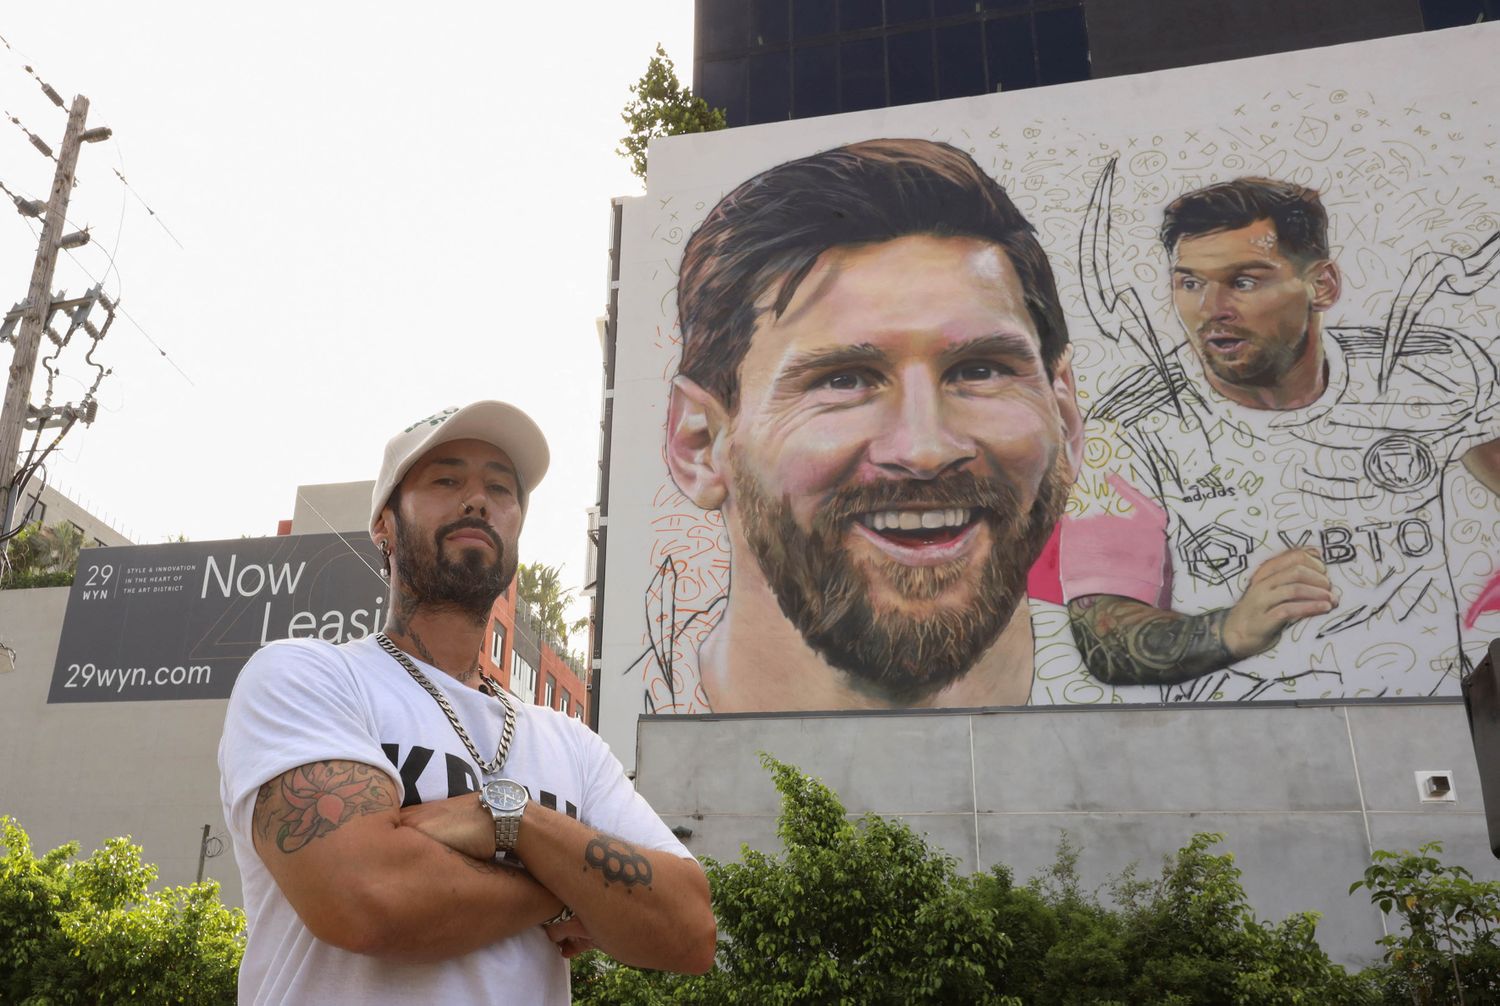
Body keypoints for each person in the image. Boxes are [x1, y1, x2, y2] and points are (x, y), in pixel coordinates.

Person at [218, 402, 715, 1004]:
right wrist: (576, 886)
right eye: (446, 479)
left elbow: (690, 929)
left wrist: (510, 820)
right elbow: (366, 899)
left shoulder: (572, 744)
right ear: (384, 524)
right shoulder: (307, 678)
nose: (477, 500)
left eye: (500, 489)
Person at [664, 139, 1083, 712]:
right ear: (699, 445)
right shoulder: (605, 775)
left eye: (979, 370)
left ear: (1065, 418)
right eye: (843, 380)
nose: (926, 449)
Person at [1064, 175, 1500, 700]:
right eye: (1190, 283)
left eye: (1244, 282)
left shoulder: (1429, 372)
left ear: (1322, 285)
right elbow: (1101, 635)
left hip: (1434, 733)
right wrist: (1233, 629)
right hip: (1244, 746)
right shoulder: (1129, 430)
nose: (1211, 309)